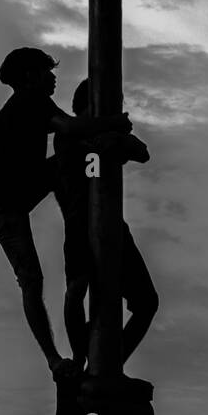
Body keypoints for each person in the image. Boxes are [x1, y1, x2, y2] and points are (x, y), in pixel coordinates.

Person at [0, 47, 132, 380]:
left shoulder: (34, 104)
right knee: (31, 280)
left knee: (67, 153)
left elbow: (70, 131)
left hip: (17, 192)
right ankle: (53, 359)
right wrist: (113, 123)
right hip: (0, 205)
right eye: (47, 71)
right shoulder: (30, 102)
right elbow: (71, 128)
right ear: (30, 77)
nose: (54, 77)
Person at [53, 78, 159, 368]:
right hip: (79, 225)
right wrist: (111, 140)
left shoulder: (107, 133)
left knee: (147, 302)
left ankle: (110, 365)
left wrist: (118, 139)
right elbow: (90, 151)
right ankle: (78, 358)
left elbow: (142, 152)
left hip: (114, 229)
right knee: (77, 290)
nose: (121, 109)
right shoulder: (66, 133)